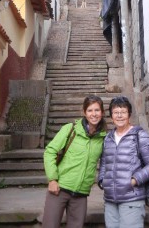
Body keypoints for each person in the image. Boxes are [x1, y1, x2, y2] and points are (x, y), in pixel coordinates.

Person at [42, 94, 107, 228]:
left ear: (102, 112)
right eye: (90, 110)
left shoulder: (103, 138)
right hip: (59, 189)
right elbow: (50, 151)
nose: (93, 114)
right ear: (84, 112)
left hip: (81, 194)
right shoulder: (70, 129)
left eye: (97, 110)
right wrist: (52, 179)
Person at [98, 96, 149, 228]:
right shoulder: (108, 138)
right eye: (116, 112)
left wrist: (134, 180)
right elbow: (104, 162)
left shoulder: (139, 135)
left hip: (131, 199)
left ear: (129, 114)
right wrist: (102, 180)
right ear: (111, 116)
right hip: (110, 200)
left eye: (123, 112)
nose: (119, 116)